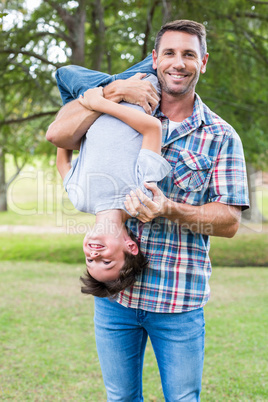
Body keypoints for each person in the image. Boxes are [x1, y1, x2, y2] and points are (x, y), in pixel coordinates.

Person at [47, 19, 249, 401]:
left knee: (183, 398)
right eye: (170, 53)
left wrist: (168, 209)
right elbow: (59, 134)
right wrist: (113, 91)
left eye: (189, 54)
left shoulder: (221, 136)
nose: (179, 62)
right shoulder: (121, 105)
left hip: (177, 302)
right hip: (116, 301)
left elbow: (230, 221)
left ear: (203, 62)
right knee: (120, 397)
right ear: (155, 59)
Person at [50, 75, 171, 297]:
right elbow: (152, 128)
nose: (94, 255)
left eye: (89, 260)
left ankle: (105, 88)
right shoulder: (139, 196)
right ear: (130, 247)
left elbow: (62, 156)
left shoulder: (80, 199)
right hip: (139, 83)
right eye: (106, 262)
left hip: (92, 92)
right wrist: (103, 102)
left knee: (63, 73)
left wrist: (80, 109)